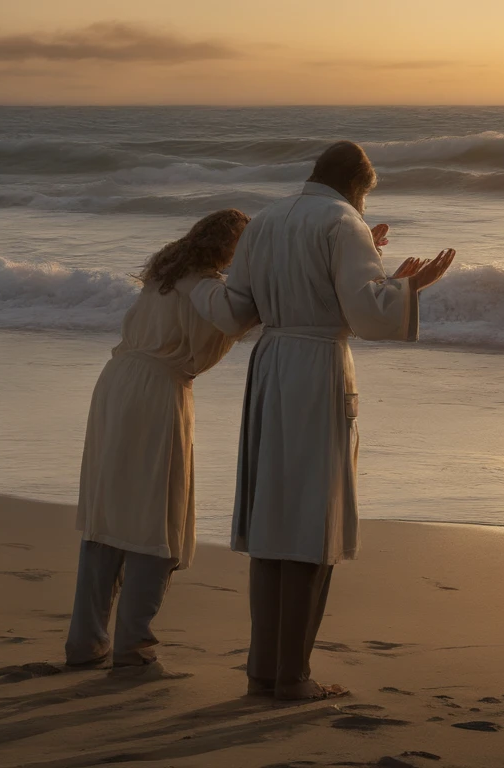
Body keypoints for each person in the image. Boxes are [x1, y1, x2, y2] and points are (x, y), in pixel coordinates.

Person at [189, 141, 456, 700]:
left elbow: (236, 311)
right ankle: (294, 677)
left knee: (273, 520)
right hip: (317, 370)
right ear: (360, 185)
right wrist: (410, 286)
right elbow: (365, 314)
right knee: (314, 519)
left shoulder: (264, 221)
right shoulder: (344, 222)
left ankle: (263, 672)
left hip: (271, 364)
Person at [67, 208, 252, 678]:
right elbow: (237, 316)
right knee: (157, 517)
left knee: (109, 514)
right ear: (229, 247)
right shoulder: (205, 284)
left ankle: (86, 642)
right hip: (154, 393)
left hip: (117, 383)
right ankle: (134, 647)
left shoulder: (165, 277)